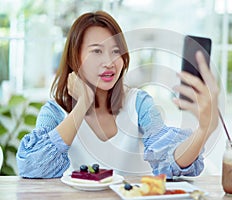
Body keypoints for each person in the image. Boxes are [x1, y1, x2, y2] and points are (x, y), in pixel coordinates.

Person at [16, 11, 219, 179]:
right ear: (75, 58)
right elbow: (32, 167)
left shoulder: (139, 103)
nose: (110, 62)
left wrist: (203, 129)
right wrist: (81, 105)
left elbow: (168, 161)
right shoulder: (54, 112)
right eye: (97, 51)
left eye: (115, 51)